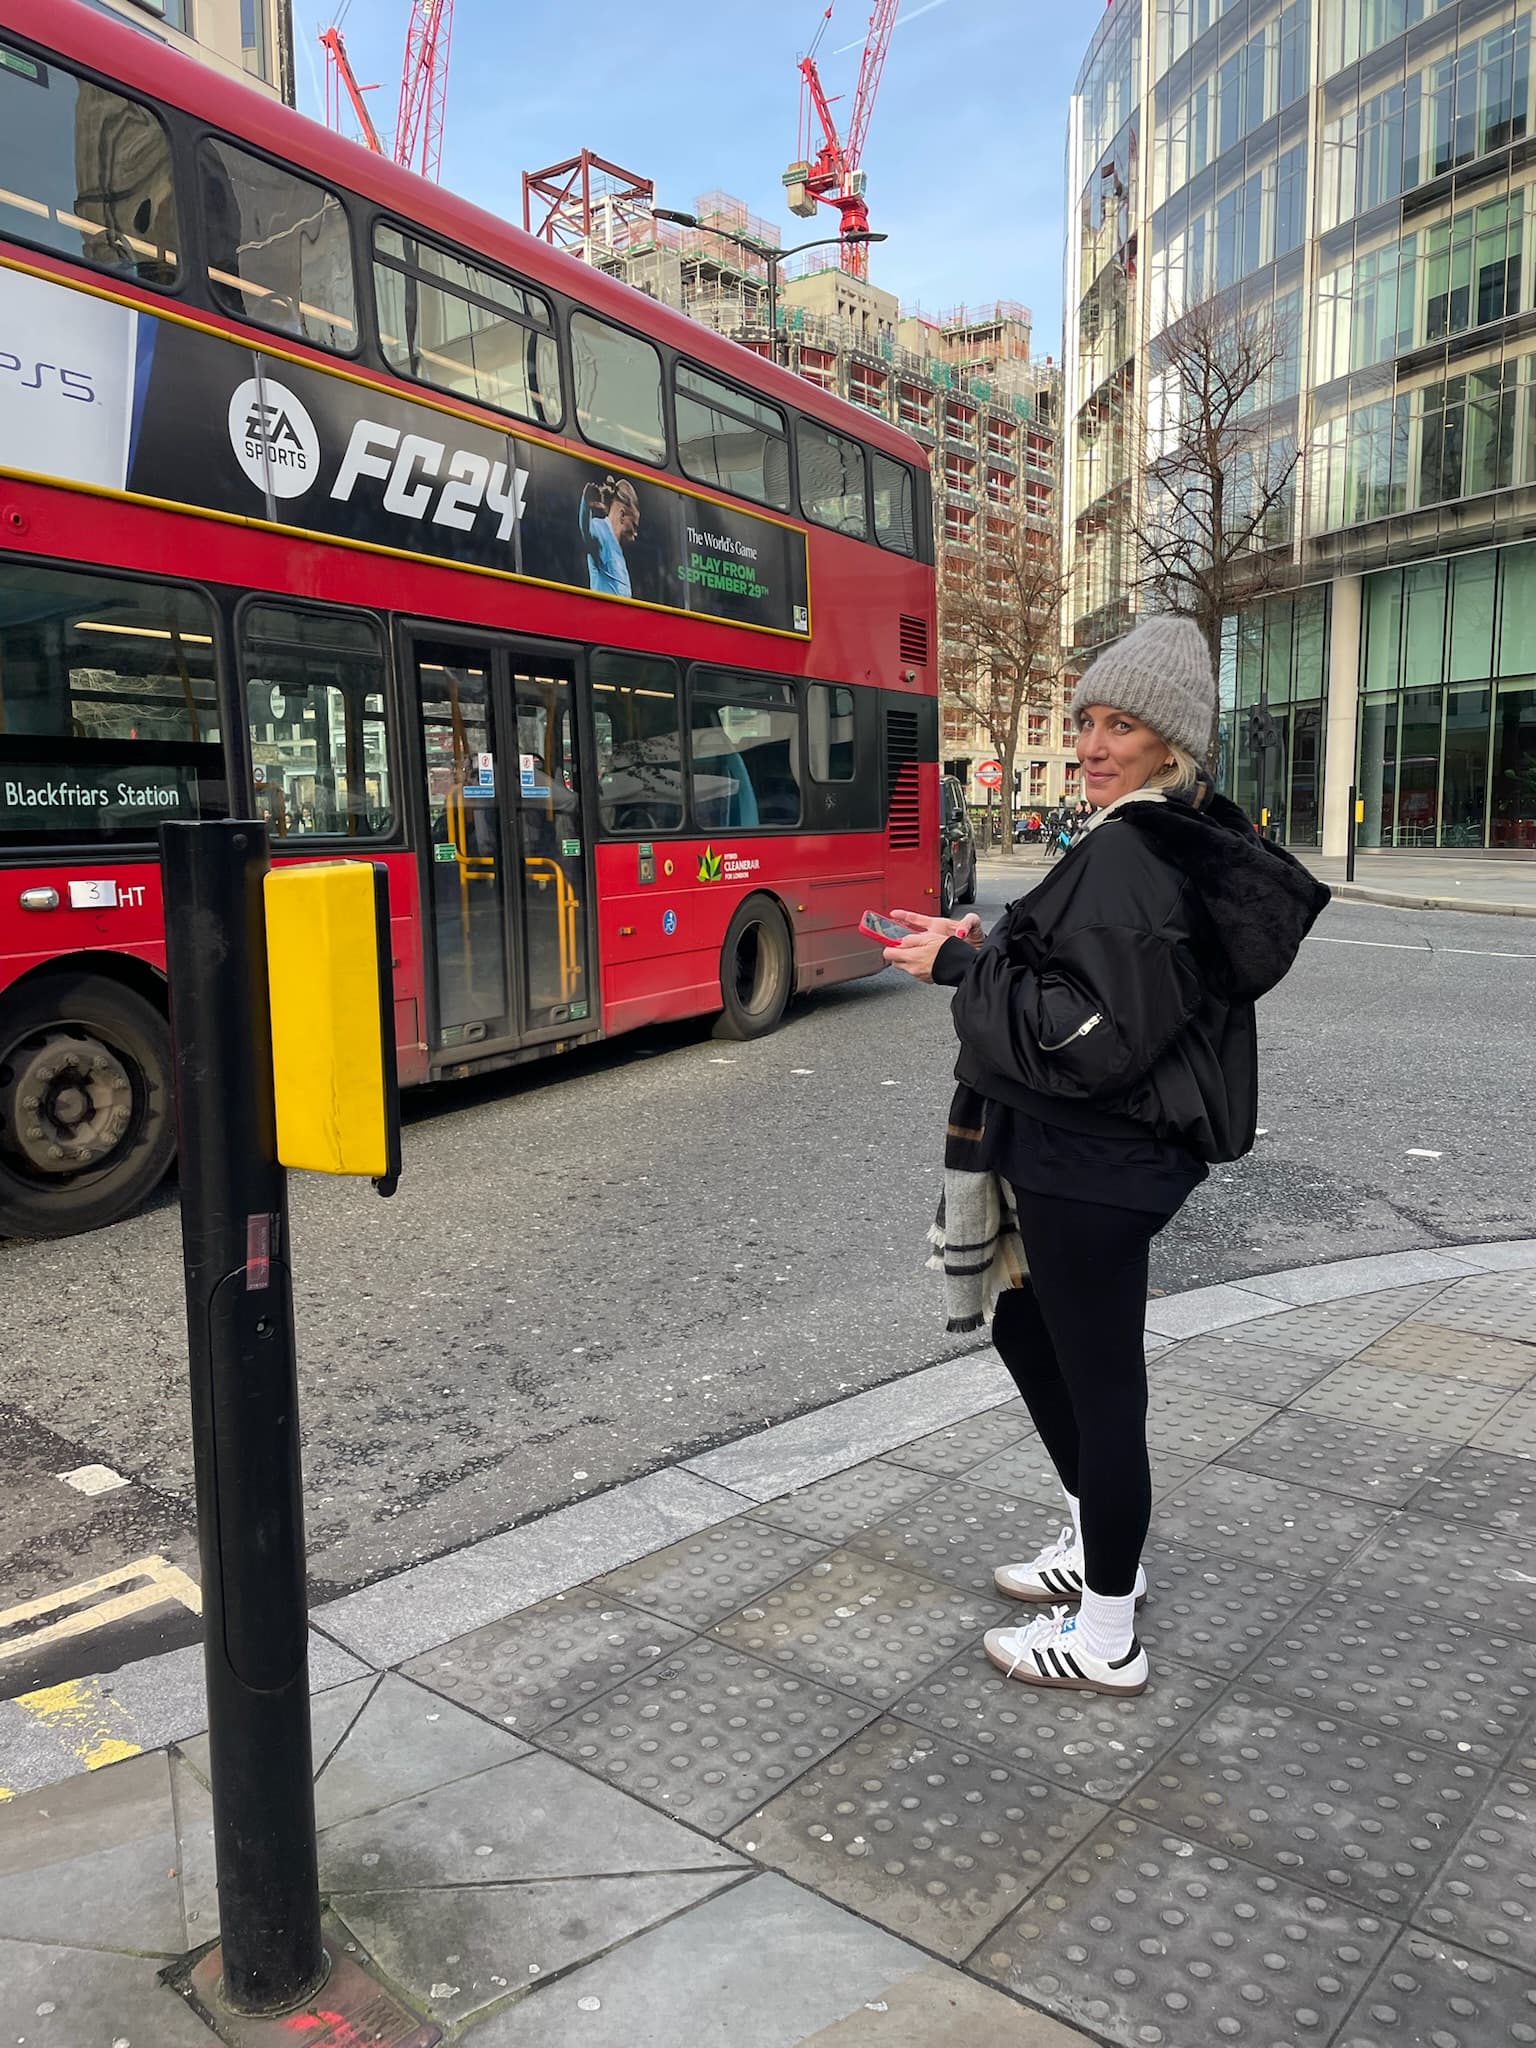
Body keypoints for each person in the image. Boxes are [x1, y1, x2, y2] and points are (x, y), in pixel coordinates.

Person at [883, 615, 1328, 1698]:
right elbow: (1107, 993)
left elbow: (1091, 1041)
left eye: (1119, 724)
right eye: (1084, 718)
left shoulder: (1132, 852)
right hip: (1098, 1154)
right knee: (1030, 1324)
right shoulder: (1156, 838)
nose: (1090, 742)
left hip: (1093, 1159)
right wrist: (988, 952)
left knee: (1101, 1382)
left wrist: (959, 969)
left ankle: (1109, 1633)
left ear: (1169, 745)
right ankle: (1094, 1543)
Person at [580, 476, 640, 597]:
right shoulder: (600, 529)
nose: (635, 533)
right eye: (634, 525)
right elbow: (586, 533)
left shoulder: (619, 552)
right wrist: (585, 506)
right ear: (622, 515)